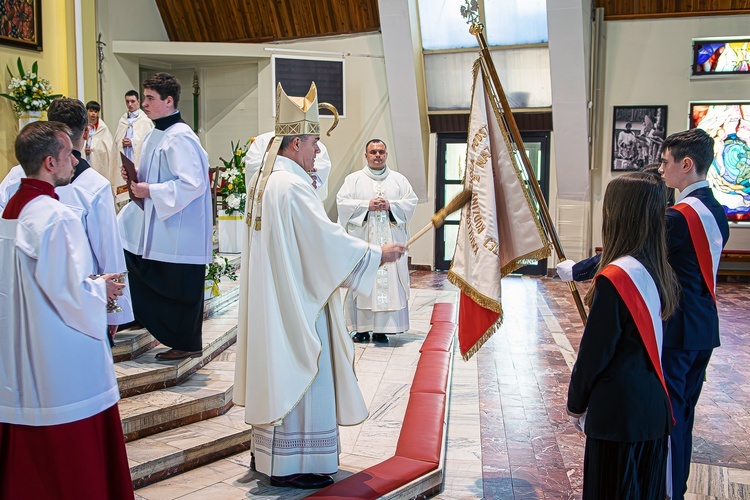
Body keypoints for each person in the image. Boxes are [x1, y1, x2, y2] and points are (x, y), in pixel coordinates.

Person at [233, 82, 406, 489]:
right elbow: (322, 242)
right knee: (303, 368)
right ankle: (298, 462)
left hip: (278, 295)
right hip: (298, 302)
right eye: (313, 142)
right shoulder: (291, 186)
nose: (316, 151)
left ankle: (269, 454)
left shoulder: (267, 181)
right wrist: (374, 254)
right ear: (294, 143)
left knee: (279, 367)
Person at [559, 129, 730, 499]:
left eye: (666, 162)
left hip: (675, 328)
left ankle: (671, 488)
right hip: (704, 326)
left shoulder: (680, 217)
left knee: (673, 418)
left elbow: (634, 245)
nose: (661, 170)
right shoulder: (716, 209)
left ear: (687, 164)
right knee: (683, 415)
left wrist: (576, 270)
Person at [0, 121, 132, 499]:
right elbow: (69, 294)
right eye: (68, 153)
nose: (76, 158)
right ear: (49, 162)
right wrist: (99, 288)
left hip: (21, 348)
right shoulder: (55, 216)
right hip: (57, 357)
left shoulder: (11, 209)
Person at [567, 171, 679, 499]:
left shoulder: (616, 278)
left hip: (617, 417)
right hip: (654, 411)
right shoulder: (659, 270)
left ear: (619, 215)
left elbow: (594, 356)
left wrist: (576, 404)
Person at [0, 98, 134, 344]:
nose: (72, 162)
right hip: (77, 309)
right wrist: (115, 309)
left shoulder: (13, 179)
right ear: (85, 132)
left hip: (20, 302)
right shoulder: (91, 188)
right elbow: (108, 252)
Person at [118, 72, 212, 361]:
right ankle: (142, 315)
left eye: (150, 98)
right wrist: (135, 176)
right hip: (162, 221)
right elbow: (162, 173)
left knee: (177, 284)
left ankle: (186, 342)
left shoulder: (180, 137)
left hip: (178, 229)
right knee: (130, 253)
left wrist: (150, 189)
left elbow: (193, 183)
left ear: (168, 101)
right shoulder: (159, 131)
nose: (144, 104)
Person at [337, 139, 418, 344]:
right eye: (373, 152)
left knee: (389, 284)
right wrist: (367, 206)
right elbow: (342, 203)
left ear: (386, 154)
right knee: (365, 283)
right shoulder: (353, 180)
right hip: (365, 244)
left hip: (389, 245)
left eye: (381, 152)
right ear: (366, 156)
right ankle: (361, 329)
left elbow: (411, 202)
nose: (377, 155)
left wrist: (391, 205)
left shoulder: (399, 180)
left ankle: (383, 329)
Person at [246, 130, 332, 200]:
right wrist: (303, 178)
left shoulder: (313, 142)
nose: (318, 150)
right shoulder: (262, 141)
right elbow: (254, 169)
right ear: (296, 143)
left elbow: (320, 172)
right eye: (314, 143)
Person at [113, 89, 154, 205]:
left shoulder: (145, 121)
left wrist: (132, 141)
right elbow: (116, 141)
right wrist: (121, 142)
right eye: (127, 102)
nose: (130, 104)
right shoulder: (123, 121)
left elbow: (148, 142)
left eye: (132, 101)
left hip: (138, 163)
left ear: (138, 101)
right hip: (126, 161)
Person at [83, 100, 117, 190]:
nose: (93, 114)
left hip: (98, 165)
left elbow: (109, 149)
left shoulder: (103, 129)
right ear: (86, 111)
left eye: (96, 111)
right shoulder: (82, 126)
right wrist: (83, 150)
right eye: (91, 111)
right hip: (85, 162)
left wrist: (94, 150)